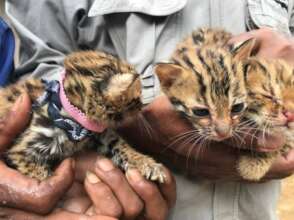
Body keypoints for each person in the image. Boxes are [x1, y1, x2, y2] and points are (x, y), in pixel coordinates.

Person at [2, 0, 294, 219]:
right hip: (108, 205)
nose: (223, 129)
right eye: (204, 112)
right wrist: (131, 124)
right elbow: (35, 70)